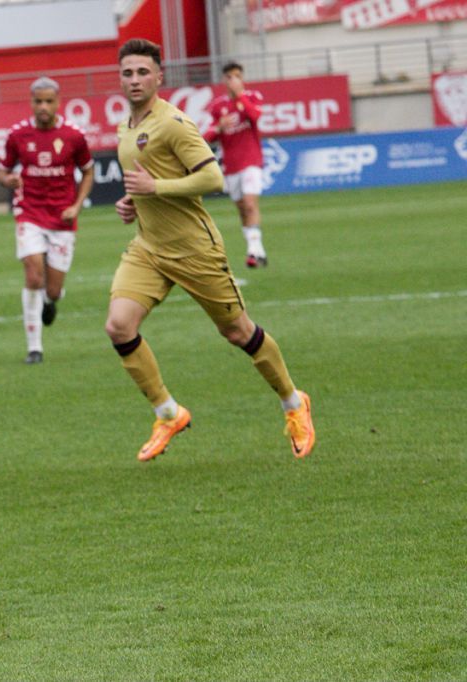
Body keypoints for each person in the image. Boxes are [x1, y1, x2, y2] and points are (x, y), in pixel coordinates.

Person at [106, 39, 316, 462]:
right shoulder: (125, 127)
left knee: (238, 332)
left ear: (159, 77)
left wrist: (155, 188)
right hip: (148, 247)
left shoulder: (175, 124)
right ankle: (169, 413)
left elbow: (213, 178)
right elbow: (147, 183)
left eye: (142, 72)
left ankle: (294, 403)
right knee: (119, 326)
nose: (134, 80)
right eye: (127, 73)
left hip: (194, 249)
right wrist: (134, 202)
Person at [0, 77, 94, 364]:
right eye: (38, 101)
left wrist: (76, 206)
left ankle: (51, 301)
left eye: (48, 101)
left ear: (57, 102)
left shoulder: (74, 136)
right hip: (29, 212)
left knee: (52, 289)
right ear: (31, 102)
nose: (43, 106)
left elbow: (88, 171)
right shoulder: (18, 135)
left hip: (62, 217)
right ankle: (34, 348)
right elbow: (1, 171)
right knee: (33, 275)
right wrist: (9, 179)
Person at [203, 62, 268, 268]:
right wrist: (219, 127)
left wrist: (240, 96)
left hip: (252, 161)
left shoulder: (252, 97)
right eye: (230, 77)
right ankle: (259, 252)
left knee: (250, 204)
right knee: (241, 209)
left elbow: (256, 117)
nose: (234, 80)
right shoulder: (217, 107)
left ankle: (253, 252)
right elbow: (206, 137)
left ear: (242, 78)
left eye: (237, 76)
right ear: (224, 80)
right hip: (231, 166)